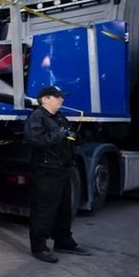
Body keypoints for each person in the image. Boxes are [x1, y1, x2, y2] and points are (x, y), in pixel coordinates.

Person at [24, 85, 93, 262]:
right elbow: (36, 140)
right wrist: (60, 134)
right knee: (44, 209)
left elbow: (68, 136)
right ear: (44, 99)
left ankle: (63, 241)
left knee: (64, 208)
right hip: (46, 170)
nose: (61, 99)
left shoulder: (59, 117)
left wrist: (73, 136)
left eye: (61, 97)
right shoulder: (37, 117)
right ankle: (39, 247)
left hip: (62, 168)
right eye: (57, 97)